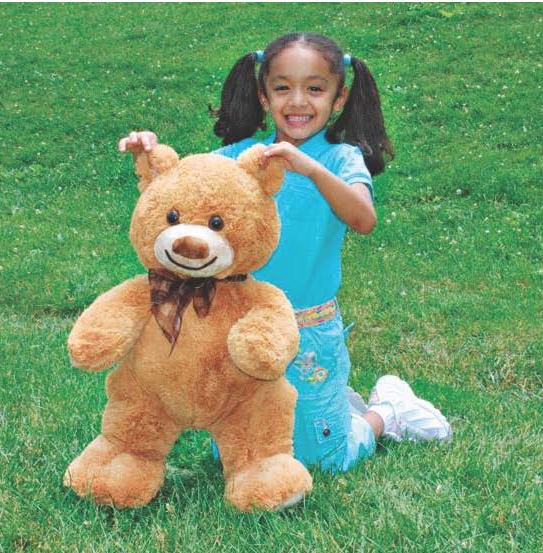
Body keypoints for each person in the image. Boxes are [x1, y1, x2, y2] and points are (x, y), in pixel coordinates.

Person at [117, 32, 450, 475]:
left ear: (338, 98)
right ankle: (335, 407)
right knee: (237, 449)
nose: (297, 101)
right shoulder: (240, 158)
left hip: (308, 329)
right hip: (239, 326)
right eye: (282, 88)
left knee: (323, 460)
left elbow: (363, 219)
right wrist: (150, 154)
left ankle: (384, 413)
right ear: (263, 95)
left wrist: (310, 168)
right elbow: (186, 197)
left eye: (315, 88)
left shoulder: (340, 158)